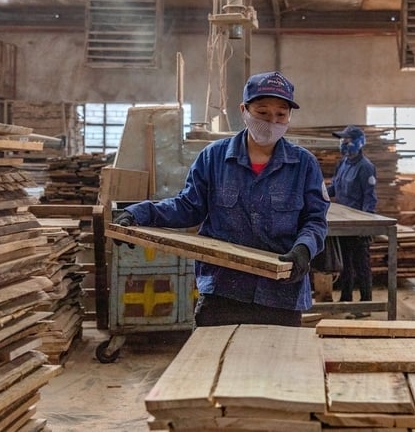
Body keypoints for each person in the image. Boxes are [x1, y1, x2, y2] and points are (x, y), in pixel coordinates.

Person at [113, 71, 329, 327]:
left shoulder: (304, 164)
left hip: (281, 294)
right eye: (262, 112)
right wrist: (139, 213)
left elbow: (315, 219)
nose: (272, 121)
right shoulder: (213, 158)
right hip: (223, 291)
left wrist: (304, 248)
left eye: (280, 115)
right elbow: (187, 207)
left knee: (275, 365)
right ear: (244, 110)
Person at [327, 125, 378, 302]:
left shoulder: (366, 167)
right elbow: (335, 188)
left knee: (361, 265)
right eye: (342, 140)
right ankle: (346, 298)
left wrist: (365, 227)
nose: (343, 144)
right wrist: (318, 192)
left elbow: (370, 198)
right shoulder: (342, 163)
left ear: (358, 143)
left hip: (358, 225)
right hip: (343, 223)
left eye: (347, 140)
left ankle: (366, 302)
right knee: (345, 263)